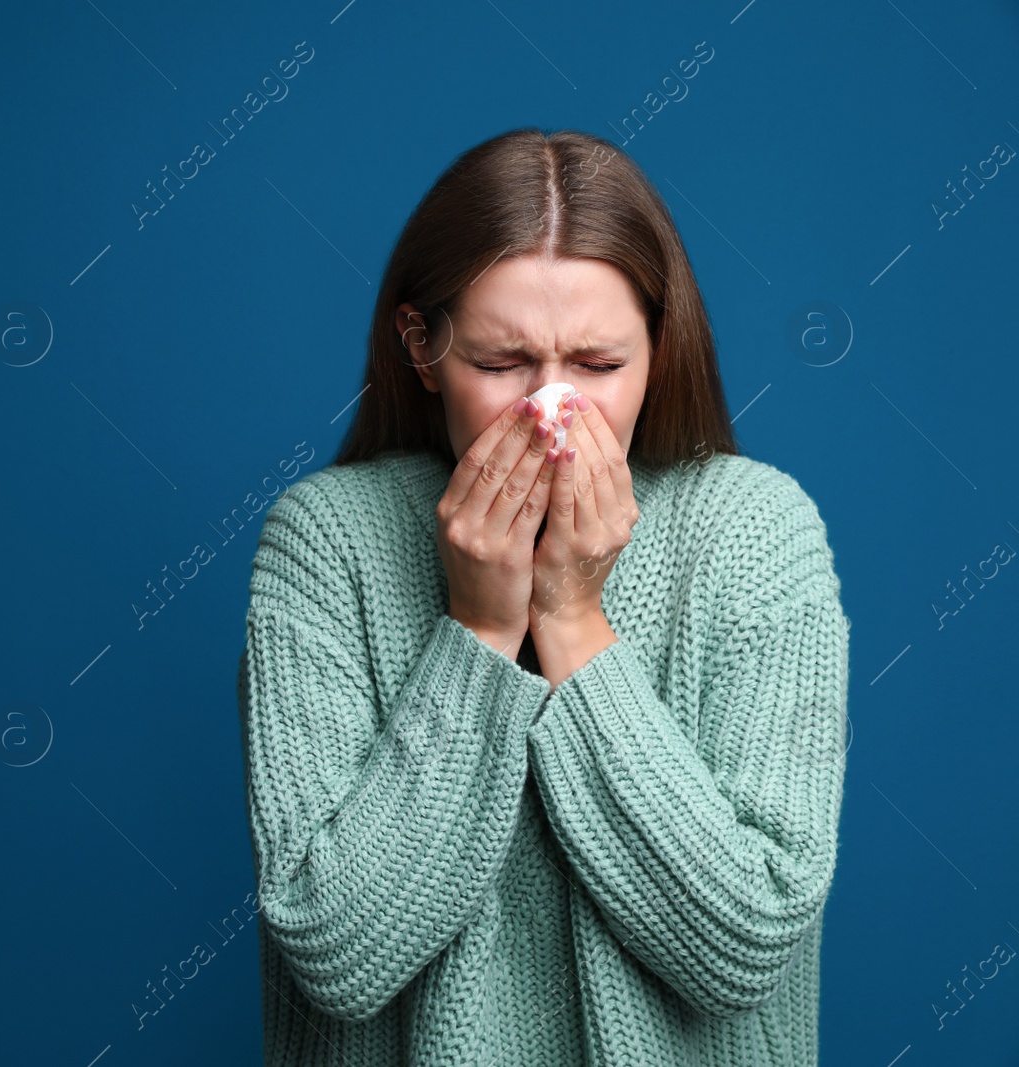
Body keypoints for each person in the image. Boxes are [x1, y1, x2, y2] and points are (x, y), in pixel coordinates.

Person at [236, 127, 850, 1065]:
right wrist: (480, 629)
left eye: (598, 367)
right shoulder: (325, 540)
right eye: (500, 363)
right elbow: (335, 948)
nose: (550, 413)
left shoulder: (755, 531)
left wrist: (569, 617)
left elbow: (745, 939)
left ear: (658, 346)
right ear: (422, 345)